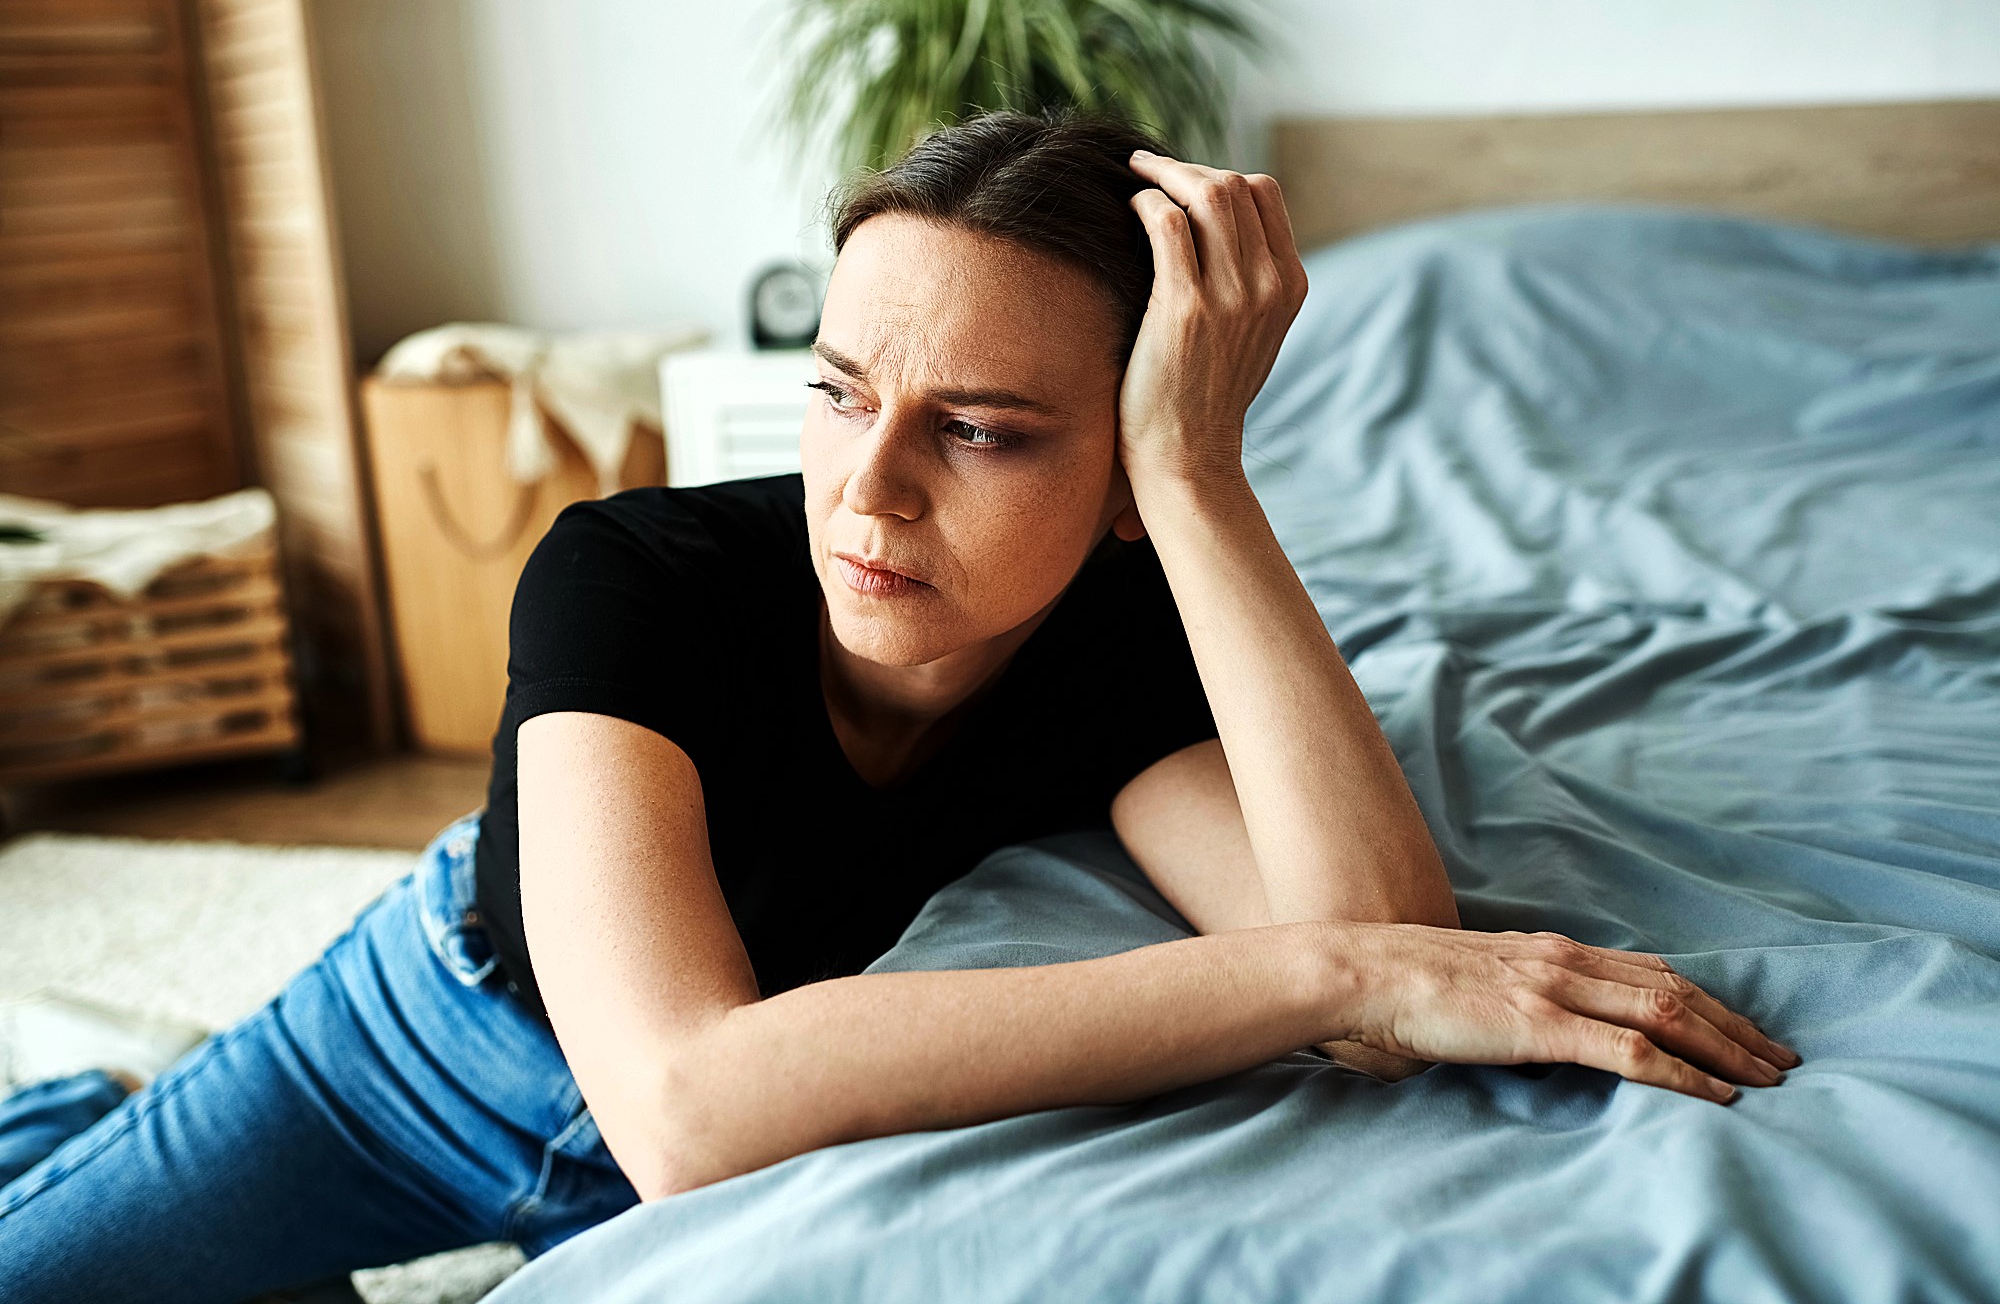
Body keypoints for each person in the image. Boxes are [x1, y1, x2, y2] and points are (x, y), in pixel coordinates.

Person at [0, 110, 1799, 1302]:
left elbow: (1390, 943)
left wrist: (1198, 484)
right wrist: (1345, 983)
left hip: (740, 1130)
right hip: (417, 1050)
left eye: (984, 429)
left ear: (1119, 465)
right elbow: (687, 1105)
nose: (867, 493)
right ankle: (71, 1103)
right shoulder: (630, 572)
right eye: (839, 391)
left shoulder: (1129, 623)